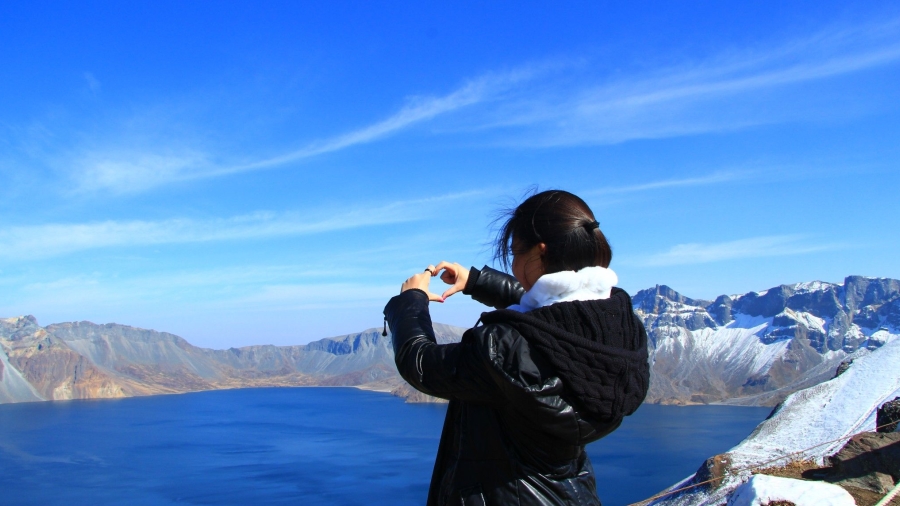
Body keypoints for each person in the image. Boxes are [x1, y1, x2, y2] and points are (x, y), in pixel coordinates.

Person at [382, 190, 649, 506]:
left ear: (540, 252)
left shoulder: (503, 349)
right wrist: (478, 281)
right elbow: (554, 315)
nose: (513, 263)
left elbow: (421, 364)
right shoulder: (619, 325)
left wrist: (410, 302)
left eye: (515, 253)